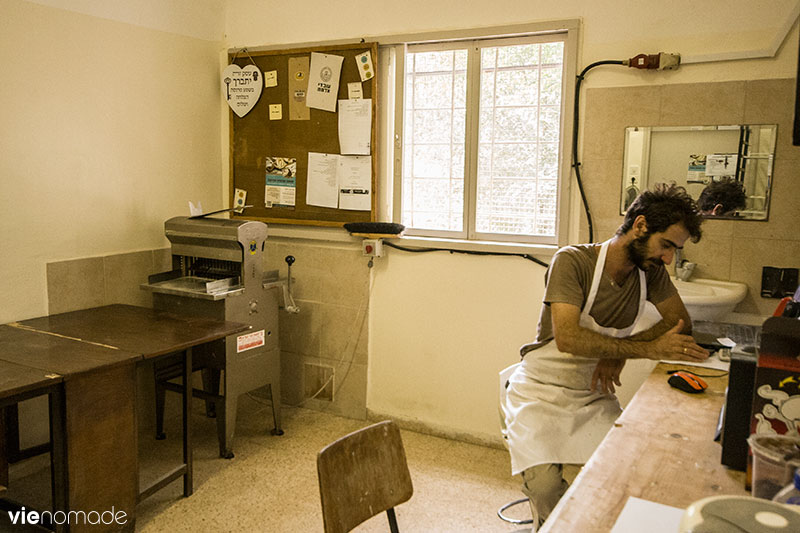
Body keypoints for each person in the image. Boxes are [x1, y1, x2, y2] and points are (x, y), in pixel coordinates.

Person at [501, 183, 710, 528]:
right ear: (640, 226)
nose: (669, 258)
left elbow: (680, 321)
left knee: (621, 473)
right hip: (539, 392)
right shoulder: (572, 261)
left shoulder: (650, 273)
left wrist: (620, 355)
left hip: (592, 394)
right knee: (546, 487)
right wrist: (642, 348)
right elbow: (567, 338)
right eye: (666, 245)